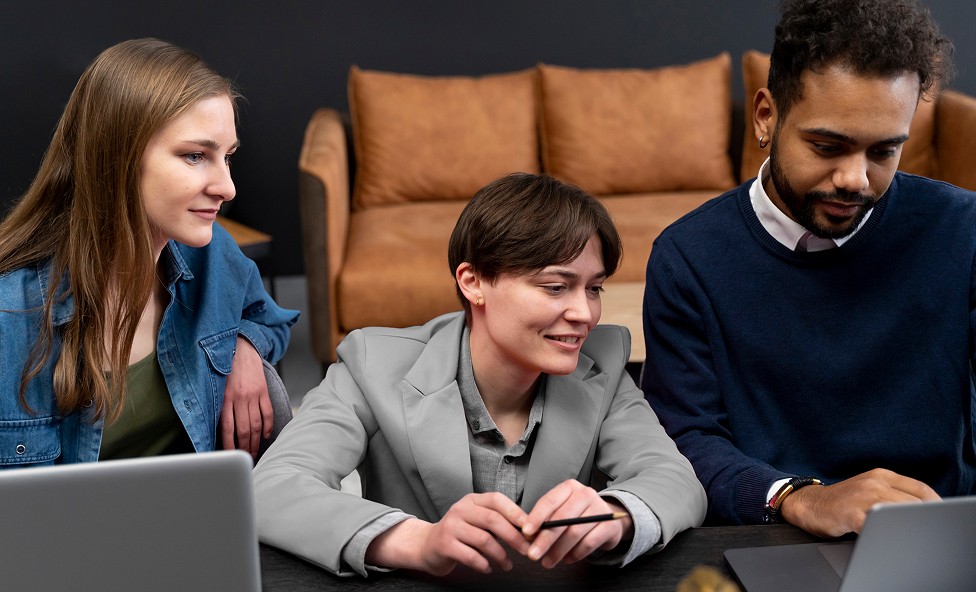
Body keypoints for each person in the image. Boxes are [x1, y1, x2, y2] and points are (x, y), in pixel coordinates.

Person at [254, 173, 705, 578]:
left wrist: (615, 515)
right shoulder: (373, 363)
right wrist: (418, 542)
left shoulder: (602, 366)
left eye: (594, 288)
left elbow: (675, 479)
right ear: (472, 282)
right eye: (555, 287)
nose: (584, 313)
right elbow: (271, 488)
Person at [642, 0, 973, 538]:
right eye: (827, 146)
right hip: (768, 531)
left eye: (884, 151)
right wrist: (802, 499)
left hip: (935, 533)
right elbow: (685, 438)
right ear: (766, 116)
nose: (855, 179)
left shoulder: (963, 231)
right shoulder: (688, 258)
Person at [0, 38, 298, 466]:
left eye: (227, 157)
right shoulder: (11, 316)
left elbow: (269, 320)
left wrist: (246, 348)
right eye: (195, 156)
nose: (227, 188)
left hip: (195, 523)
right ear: (118, 158)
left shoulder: (214, 256)